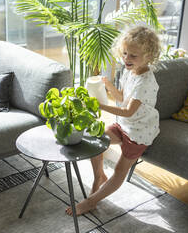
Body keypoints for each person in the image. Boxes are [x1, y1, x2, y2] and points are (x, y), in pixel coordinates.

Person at [66, 26, 161, 216]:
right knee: (96, 139)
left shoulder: (146, 83)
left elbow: (127, 111)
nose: (127, 59)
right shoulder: (130, 71)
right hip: (124, 126)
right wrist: (109, 86)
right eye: (125, 53)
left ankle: (90, 202)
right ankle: (99, 176)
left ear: (148, 57)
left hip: (139, 132)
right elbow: (122, 97)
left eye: (133, 56)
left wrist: (99, 106)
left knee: (119, 171)